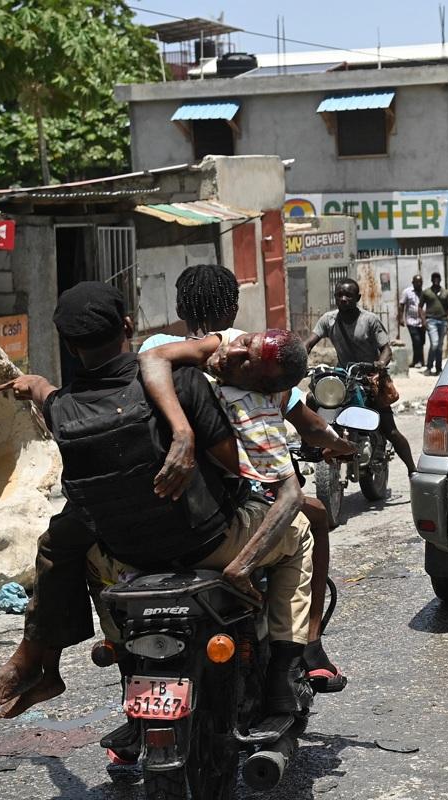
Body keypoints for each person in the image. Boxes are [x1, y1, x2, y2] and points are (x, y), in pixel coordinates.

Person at [0, 283, 315, 724]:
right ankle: (286, 671)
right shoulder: (182, 384)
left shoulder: (64, 410)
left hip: (126, 557)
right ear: (129, 326)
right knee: (300, 532)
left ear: (71, 347)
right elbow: (240, 467)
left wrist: (33, 383)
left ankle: (121, 670)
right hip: (207, 543)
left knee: (78, 552)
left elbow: (48, 396)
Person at [137, 264, 357, 689]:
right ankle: (306, 647)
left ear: (181, 306)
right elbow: (309, 425)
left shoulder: (158, 346)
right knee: (313, 517)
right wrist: (341, 444)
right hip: (227, 503)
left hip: (165, 496)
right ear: (234, 306)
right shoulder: (253, 352)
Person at [306, 278, 418, 476]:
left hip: (370, 379)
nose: (343, 298)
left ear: (357, 297)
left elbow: (386, 349)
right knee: (312, 398)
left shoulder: (369, 320)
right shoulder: (328, 320)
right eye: (340, 295)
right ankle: (308, 444)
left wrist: (381, 364)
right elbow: (309, 343)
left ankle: (412, 471)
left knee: (389, 429)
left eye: (348, 295)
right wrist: (298, 358)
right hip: (344, 379)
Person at [419, 272, 448, 375]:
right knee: (434, 343)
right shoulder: (427, 292)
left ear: (440, 279)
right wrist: (423, 320)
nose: (436, 280)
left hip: (443, 321)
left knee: (439, 346)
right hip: (431, 320)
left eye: (438, 278)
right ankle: (429, 367)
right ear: (431, 279)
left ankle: (438, 368)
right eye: (434, 278)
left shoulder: (445, 293)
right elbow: (420, 307)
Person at [399, 273, 426, 370]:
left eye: (420, 282)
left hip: (422, 321)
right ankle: (418, 361)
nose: (419, 284)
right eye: (417, 282)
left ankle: (418, 360)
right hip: (411, 321)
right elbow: (402, 305)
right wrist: (401, 318)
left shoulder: (424, 293)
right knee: (416, 340)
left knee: (421, 341)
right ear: (413, 282)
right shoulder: (407, 292)